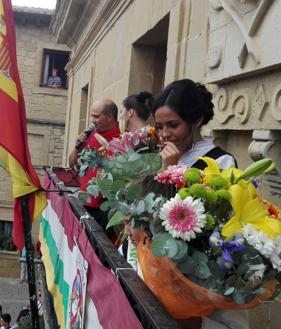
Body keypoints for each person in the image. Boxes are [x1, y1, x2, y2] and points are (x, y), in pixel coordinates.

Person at [137, 79, 244, 329]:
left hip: (192, 280)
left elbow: (206, 226)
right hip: (156, 271)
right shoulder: (166, 154)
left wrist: (169, 171)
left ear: (196, 121)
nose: (164, 134)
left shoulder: (221, 162)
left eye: (173, 125)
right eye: (160, 126)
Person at [67, 99, 121, 232]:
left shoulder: (121, 139)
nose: (92, 120)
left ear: (110, 117)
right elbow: (72, 163)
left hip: (104, 208)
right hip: (85, 203)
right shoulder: (91, 134)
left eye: (96, 116)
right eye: (92, 116)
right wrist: (77, 146)